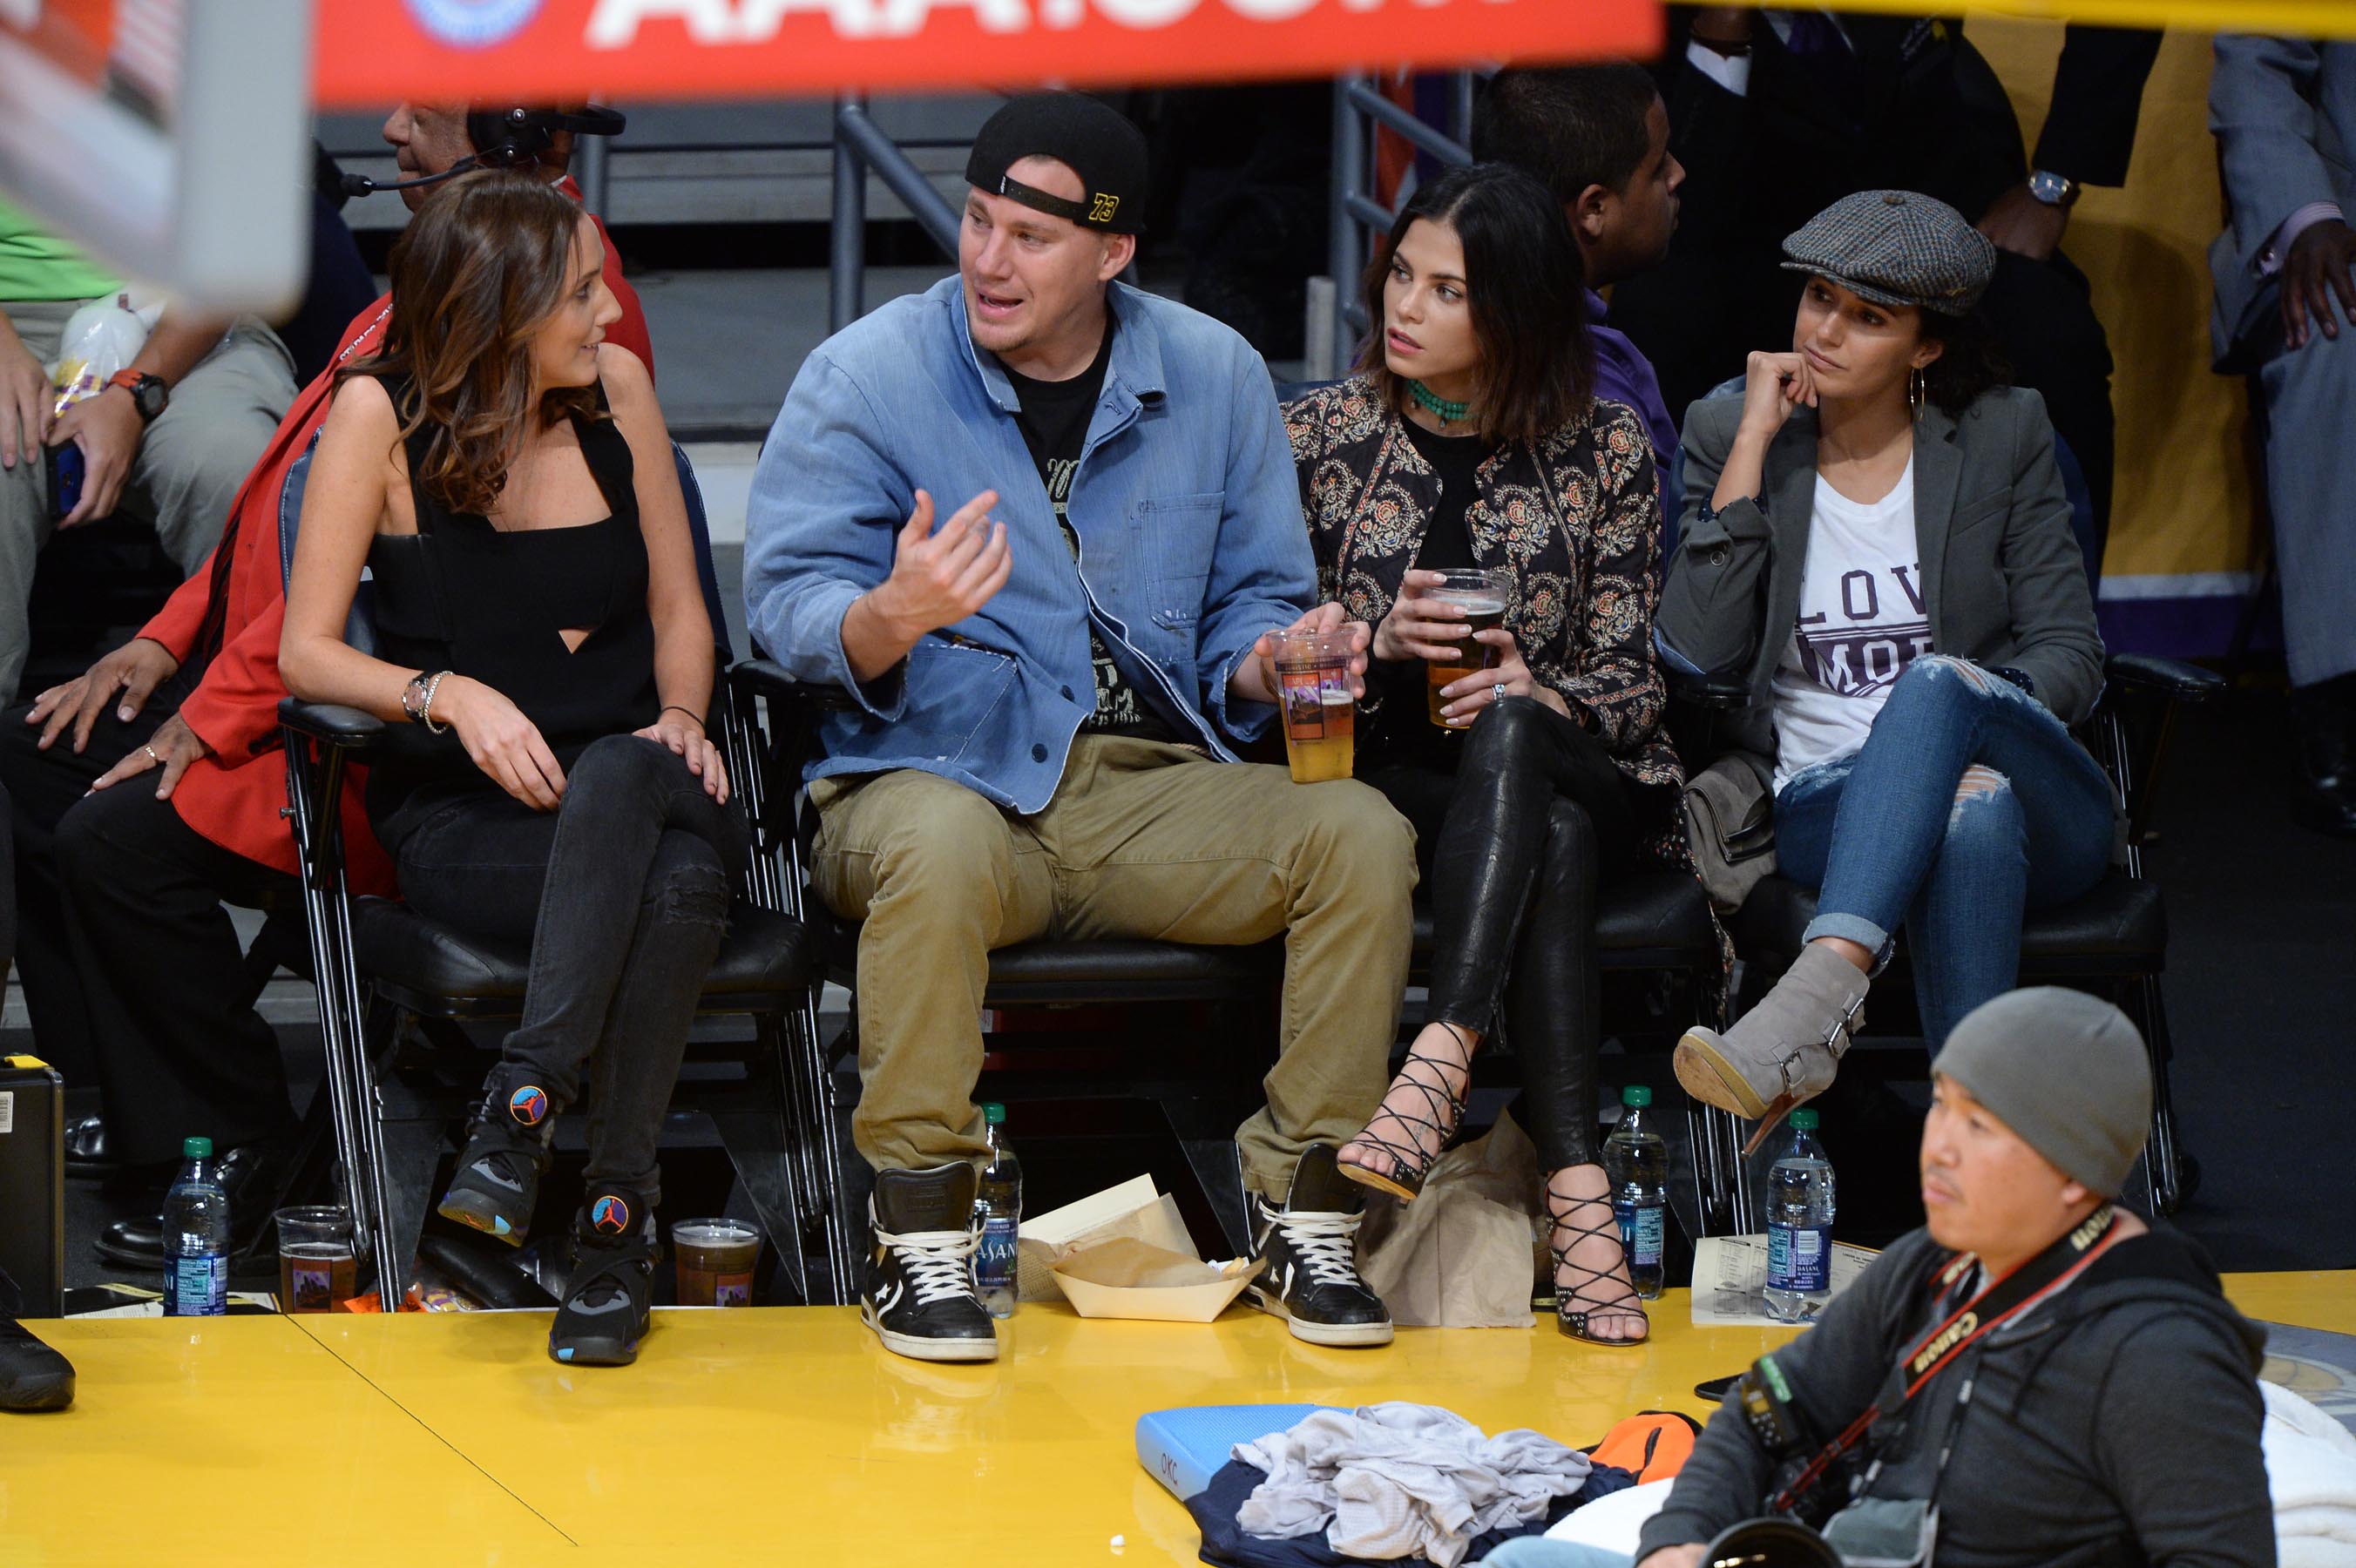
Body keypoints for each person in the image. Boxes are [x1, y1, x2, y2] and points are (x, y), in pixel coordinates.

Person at [745, 91, 1417, 1363]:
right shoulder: (869, 375)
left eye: (1031, 239)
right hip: (923, 774)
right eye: (979, 222)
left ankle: (1301, 1206)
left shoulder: (1213, 373)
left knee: (1359, 834)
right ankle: (921, 1234)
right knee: (937, 852)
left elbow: (1252, 609)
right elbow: (782, 608)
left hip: (1139, 794)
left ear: (1112, 256)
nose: (989, 261)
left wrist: (1277, 663)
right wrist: (890, 614)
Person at [0, 102, 651, 1267]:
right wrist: (163, 637)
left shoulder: (545, 318)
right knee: (43, 762)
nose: (390, 127)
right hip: (292, 671)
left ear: (507, 138)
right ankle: (115, 1114)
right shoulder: (436, 284)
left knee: (108, 834)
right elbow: (281, 499)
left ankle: (237, 1154)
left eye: (427, 113)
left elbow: (375, 590)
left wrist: (204, 723)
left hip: (368, 732)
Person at [281, 172, 728, 1369]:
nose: (608, 316)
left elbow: (683, 609)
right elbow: (304, 649)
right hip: (476, 820)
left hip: (652, 769)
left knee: (628, 779)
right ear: (501, 304)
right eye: (579, 293)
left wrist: (683, 710)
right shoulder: (376, 418)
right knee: (678, 893)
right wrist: (447, 694)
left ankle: (519, 1112)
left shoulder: (618, 394)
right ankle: (613, 1234)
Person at [1284, 164, 1682, 1345]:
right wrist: (1377, 644)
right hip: (1400, 780)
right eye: (1401, 275)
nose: (1406, 305)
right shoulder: (1319, 437)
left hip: (1579, 766)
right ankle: (1580, 1195)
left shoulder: (1604, 447)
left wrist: (1536, 689)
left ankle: (1440, 1055)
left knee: (1520, 736)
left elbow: (1636, 681)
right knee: (1542, 841)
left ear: (1511, 310)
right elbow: (1277, 665)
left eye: (1447, 290)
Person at [1479, 989, 2271, 1568]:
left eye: (1981, 1127)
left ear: (2074, 1170)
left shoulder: (2162, 1358)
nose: (1939, 1149)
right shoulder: (1935, 1263)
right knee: (1520, 1564)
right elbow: (1765, 1409)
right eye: (1943, 1107)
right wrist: (1675, 1545)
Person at [1660, 191, 2109, 1132]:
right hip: (1827, 801)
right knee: (1966, 810)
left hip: (2042, 797)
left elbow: (2070, 654)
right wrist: (1750, 440)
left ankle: (1818, 997)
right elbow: (1693, 655)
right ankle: (1980, 1163)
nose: (1825, 331)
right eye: (1818, 297)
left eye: (1868, 318)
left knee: (1941, 697)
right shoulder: (1730, 431)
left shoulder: (2003, 434)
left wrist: (1964, 717)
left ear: (1927, 346)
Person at [1611, 9, 2163, 578]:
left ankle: (2064, 633)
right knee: (1656, 319)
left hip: (1926, 197)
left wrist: (2053, 184)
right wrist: (1720, 38)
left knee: (2053, 332)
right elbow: (1681, 210)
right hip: (1738, 230)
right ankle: (1673, 618)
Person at [0, 199, 299, 704]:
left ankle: (243, 739)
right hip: (15, 318)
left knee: (234, 467)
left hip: (188, 314)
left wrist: (134, 395)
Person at [2208, 36, 2356, 839]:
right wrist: (2308, 217)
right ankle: (2341, 706)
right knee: (2337, 326)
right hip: (2335, 219)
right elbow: (2254, 76)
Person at [1470, 63, 1689, 532]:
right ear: (1593, 209)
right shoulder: (1586, 383)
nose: (1678, 174)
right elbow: (1671, 560)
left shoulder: (1446, 321)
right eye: (1657, 165)